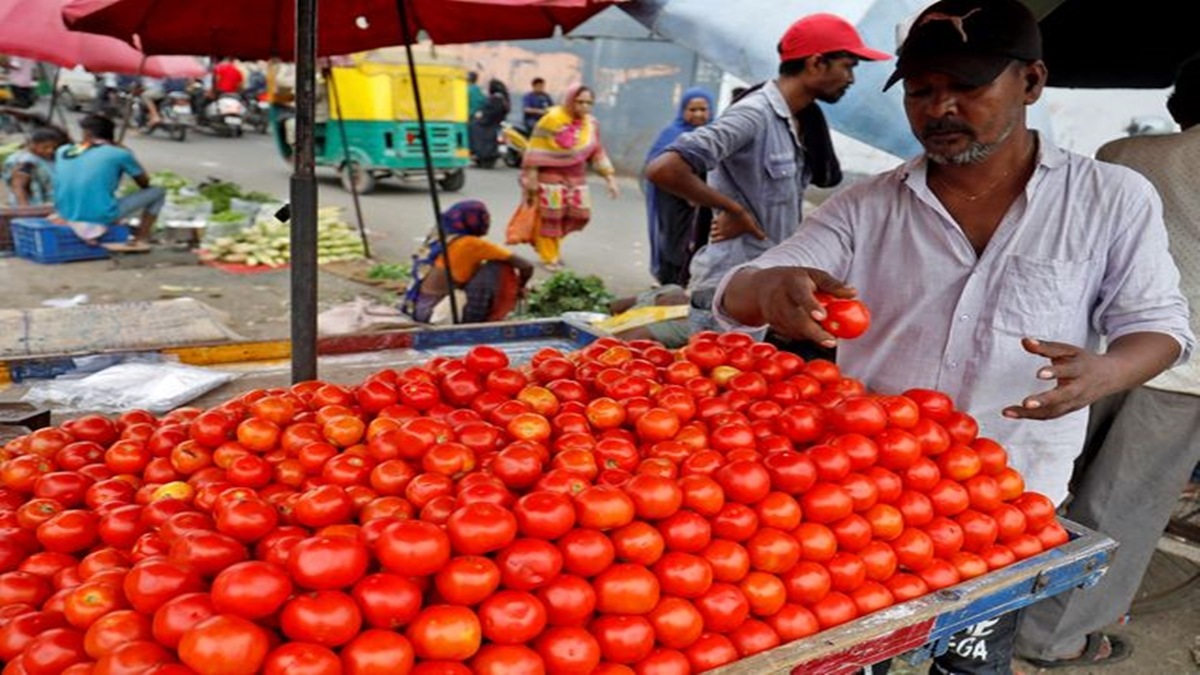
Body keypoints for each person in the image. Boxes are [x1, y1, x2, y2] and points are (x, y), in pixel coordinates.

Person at [713, 1, 1194, 673]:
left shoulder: (1112, 198)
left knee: (971, 659)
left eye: (966, 87)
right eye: (921, 90)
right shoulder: (868, 204)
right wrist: (771, 289)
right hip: (861, 495)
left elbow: (1162, 327)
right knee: (858, 655)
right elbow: (742, 287)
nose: (939, 108)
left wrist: (1106, 373)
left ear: (1030, 82)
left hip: (1006, 495)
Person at [1013, 53, 1200, 670]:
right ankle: (1052, 637)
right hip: (1182, 373)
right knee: (1123, 506)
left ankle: (987, 602)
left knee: (1042, 485)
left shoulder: (1126, 154)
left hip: (1090, 354)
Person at [645, 13, 891, 334]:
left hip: (764, 282)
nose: (851, 79)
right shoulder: (754, 114)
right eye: (847, 66)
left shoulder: (800, 120)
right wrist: (733, 210)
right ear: (816, 63)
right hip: (729, 290)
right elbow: (664, 168)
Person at [520, 84, 620, 271]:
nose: (584, 107)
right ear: (570, 100)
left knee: (579, 214)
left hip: (576, 176)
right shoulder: (551, 119)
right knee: (552, 216)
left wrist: (610, 178)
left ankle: (547, 244)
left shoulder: (591, 124)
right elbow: (535, 149)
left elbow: (597, 150)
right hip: (550, 175)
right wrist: (531, 178)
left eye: (589, 103)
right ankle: (550, 256)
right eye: (580, 102)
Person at [402, 200, 534, 324]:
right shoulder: (470, 244)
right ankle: (484, 319)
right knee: (497, 267)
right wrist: (521, 286)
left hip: (416, 307)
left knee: (482, 267)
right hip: (436, 313)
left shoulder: (440, 237)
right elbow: (526, 266)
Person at [52, 114, 166, 247]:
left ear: (87, 133)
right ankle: (142, 237)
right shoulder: (119, 153)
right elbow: (144, 183)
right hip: (100, 215)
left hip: (64, 211)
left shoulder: (63, 150)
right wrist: (127, 156)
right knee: (158, 192)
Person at [643, 87, 715, 286]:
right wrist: (685, 192)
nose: (699, 114)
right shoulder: (671, 134)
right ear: (683, 110)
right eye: (692, 109)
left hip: (704, 200)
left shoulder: (716, 134)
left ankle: (689, 281)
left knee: (700, 241)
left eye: (703, 109)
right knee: (673, 240)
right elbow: (655, 167)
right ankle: (670, 282)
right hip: (672, 200)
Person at [598, 285, 691, 347]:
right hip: (688, 297)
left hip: (697, 315)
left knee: (632, 335)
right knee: (672, 291)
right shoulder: (673, 291)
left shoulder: (688, 325)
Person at [3, 127, 69, 207]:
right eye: (45, 147)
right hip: (34, 208)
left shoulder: (46, 158)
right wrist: (24, 209)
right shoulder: (26, 161)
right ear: (33, 144)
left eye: (53, 147)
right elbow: (18, 186)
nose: (50, 150)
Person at [470, 79, 511, 167]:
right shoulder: (503, 98)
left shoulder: (495, 98)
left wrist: (481, 116)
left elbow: (488, 112)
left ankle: (478, 153)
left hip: (487, 123)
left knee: (473, 127)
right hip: (495, 123)